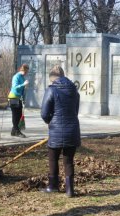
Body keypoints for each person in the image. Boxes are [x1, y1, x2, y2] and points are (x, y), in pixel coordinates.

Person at [40, 65, 81, 197]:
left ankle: (53, 186)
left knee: (53, 158)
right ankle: (70, 190)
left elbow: (44, 113)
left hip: (56, 129)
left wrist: (49, 122)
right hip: (73, 129)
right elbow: (76, 111)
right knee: (68, 160)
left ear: (53, 78)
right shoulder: (74, 90)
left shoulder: (51, 90)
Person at [8, 63, 29, 138]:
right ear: (23, 70)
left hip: (18, 98)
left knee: (19, 115)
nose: (26, 73)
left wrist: (24, 99)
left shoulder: (22, 77)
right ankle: (16, 131)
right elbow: (15, 87)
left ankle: (14, 131)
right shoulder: (16, 76)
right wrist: (23, 84)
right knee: (15, 115)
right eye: (26, 72)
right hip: (13, 97)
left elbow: (23, 90)